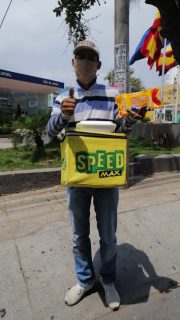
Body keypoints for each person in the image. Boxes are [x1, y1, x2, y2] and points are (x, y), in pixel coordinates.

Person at [46, 39, 142, 311]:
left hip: (106, 175)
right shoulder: (63, 95)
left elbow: (121, 129)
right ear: (73, 62)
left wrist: (132, 118)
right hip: (77, 178)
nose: (85, 61)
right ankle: (85, 280)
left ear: (98, 65)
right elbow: (50, 132)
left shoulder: (113, 94)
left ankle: (109, 279)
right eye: (81, 56)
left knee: (108, 235)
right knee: (79, 235)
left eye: (91, 57)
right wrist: (63, 115)